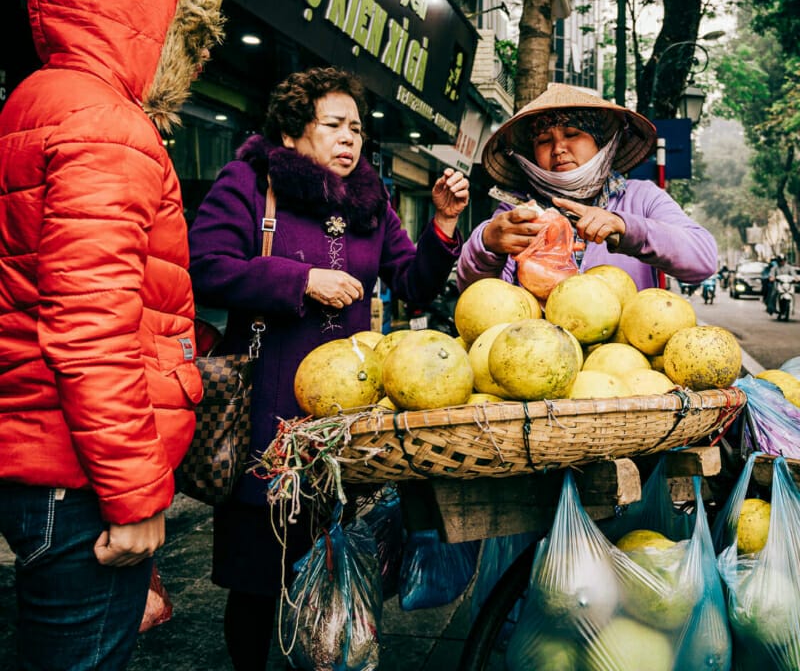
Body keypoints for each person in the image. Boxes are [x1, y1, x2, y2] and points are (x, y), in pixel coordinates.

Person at [0, 0, 227, 669]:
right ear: (141, 19)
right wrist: (134, 499)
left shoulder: (39, 102)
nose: (193, 62)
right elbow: (90, 326)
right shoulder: (104, 125)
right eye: (188, 37)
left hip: (50, 459)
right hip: (81, 479)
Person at [188, 66, 469, 670]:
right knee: (258, 579)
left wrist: (443, 225)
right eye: (334, 125)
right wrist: (300, 280)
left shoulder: (372, 199)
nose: (350, 139)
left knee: (341, 566)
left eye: (357, 129)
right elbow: (205, 264)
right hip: (267, 417)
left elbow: (414, 285)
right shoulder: (249, 181)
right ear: (293, 133)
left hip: (348, 422)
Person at [458, 83, 717, 292]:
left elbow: (702, 260)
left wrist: (625, 228)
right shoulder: (518, 211)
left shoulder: (642, 198)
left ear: (600, 143)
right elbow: (479, 295)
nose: (558, 149)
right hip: (537, 350)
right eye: (544, 140)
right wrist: (486, 243)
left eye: (572, 134)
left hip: (621, 354)